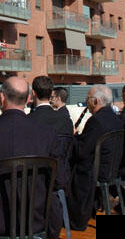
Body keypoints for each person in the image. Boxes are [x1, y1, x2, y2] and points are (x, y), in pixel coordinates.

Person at [0, 77, 61, 238]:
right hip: (36, 224)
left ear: (2, 98)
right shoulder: (48, 133)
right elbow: (59, 180)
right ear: (29, 98)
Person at [69, 85, 123, 230]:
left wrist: (73, 137)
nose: (87, 102)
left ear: (96, 101)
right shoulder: (115, 118)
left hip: (97, 171)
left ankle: (76, 218)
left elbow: (81, 151)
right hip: (113, 167)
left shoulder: (96, 121)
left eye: (88, 99)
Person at [27, 76, 72, 238]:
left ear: (33, 93)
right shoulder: (66, 119)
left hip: (34, 186)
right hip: (59, 180)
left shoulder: (28, 121)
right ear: (51, 93)